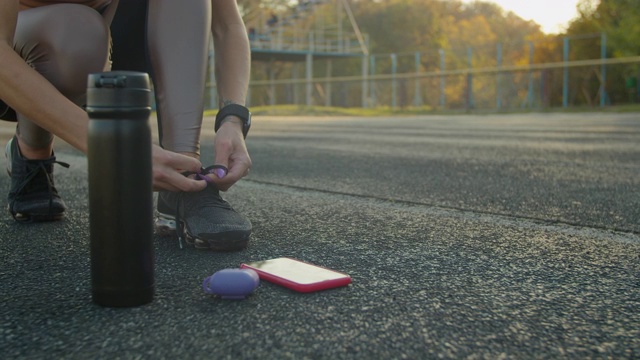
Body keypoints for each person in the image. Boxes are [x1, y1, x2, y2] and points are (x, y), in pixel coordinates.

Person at [0, 0, 253, 251]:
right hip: (24, 43)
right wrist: (109, 147)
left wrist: (233, 120)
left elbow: (228, 25)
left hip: (120, 38)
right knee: (76, 30)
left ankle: (182, 174)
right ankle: (31, 153)